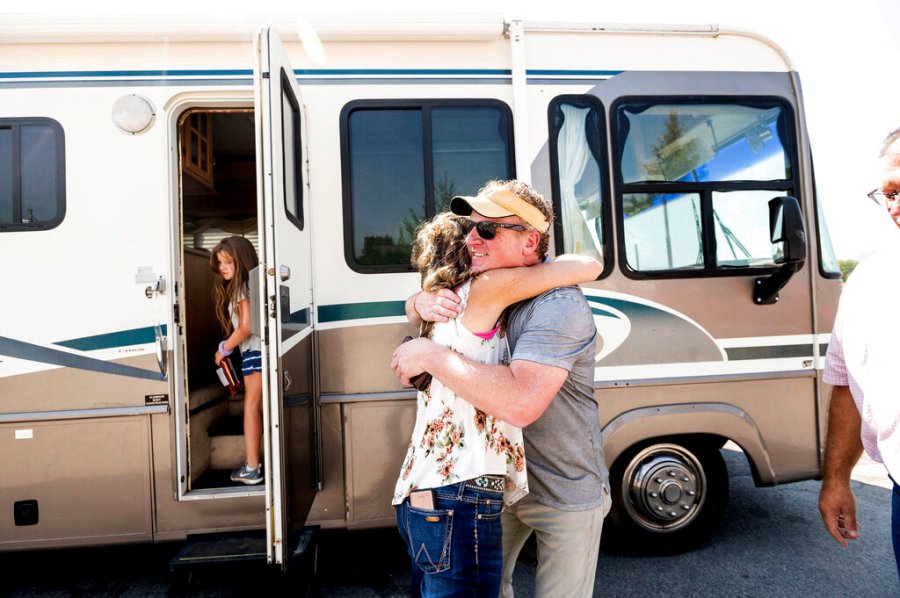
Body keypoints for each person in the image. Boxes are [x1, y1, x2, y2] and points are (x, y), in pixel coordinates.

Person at [392, 180, 610, 598]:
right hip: (500, 483)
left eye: (488, 230)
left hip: (563, 488)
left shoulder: (556, 304)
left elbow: (522, 403)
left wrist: (428, 353)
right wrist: (418, 302)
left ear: (531, 240)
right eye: (468, 229)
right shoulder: (474, 289)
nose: (472, 239)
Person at [818, 126, 900, 578]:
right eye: (888, 194)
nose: (895, 207)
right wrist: (836, 480)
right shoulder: (867, 281)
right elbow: (847, 383)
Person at [210, 236, 264, 486]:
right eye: (220, 262)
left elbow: (246, 327)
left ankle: (252, 467)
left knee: (251, 407)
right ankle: (256, 463)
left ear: (240, 261)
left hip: (254, 352)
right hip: (256, 352)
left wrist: (224, 348)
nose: (222, 267)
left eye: (228, 262)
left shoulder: (242, 287)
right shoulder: (250, 286)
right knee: (258, 407)